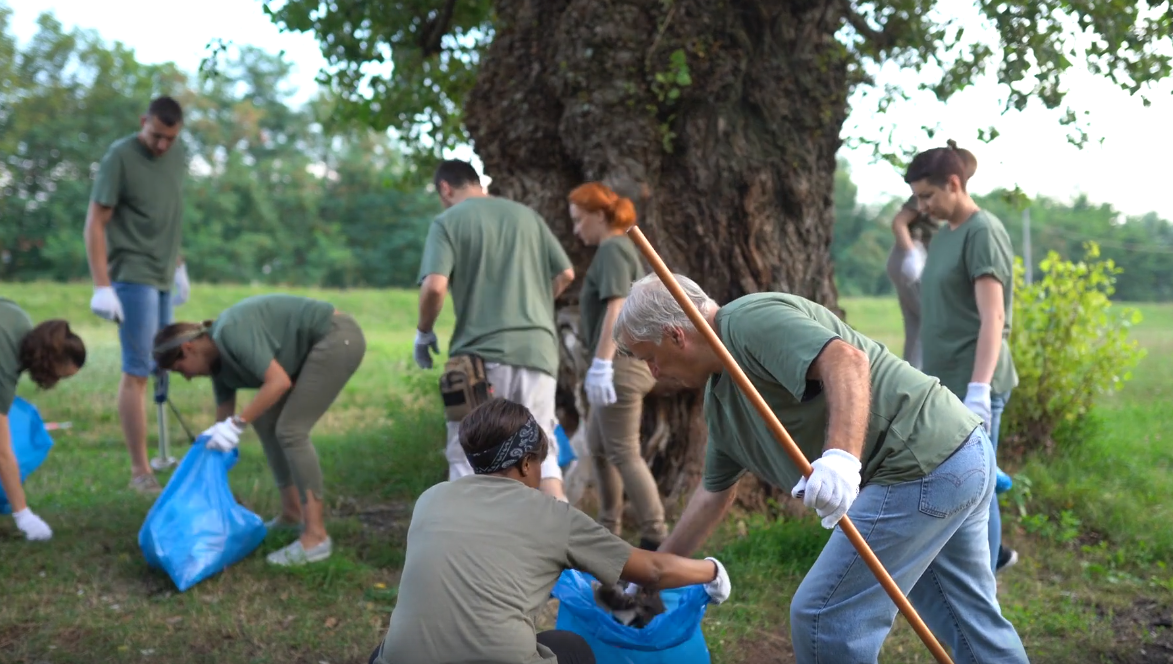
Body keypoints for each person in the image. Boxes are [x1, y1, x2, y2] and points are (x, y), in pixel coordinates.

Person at [612, 273, 1029, 664]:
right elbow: (712, 495)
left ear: (675, 335)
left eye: (649, 357)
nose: (653, 373)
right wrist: (650, 573)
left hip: (920, 463)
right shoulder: (722, 400)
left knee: (823, 619)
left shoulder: (746, 321)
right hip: (955, 454)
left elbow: (846, 361)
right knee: (968, 621)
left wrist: (841, 460)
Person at [368, 398, 731, 664]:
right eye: (541, 464)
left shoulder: (431, 500)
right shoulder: (552, 516)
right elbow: (653, 570)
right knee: (571, 648)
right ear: (527, 463)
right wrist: (712, 571)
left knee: (383, 653)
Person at [152, 294, 366, 566]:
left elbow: (277, 382)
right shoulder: (218, 364)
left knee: (291, 431)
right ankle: (292, 514)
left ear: (190, 348)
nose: (188, 377)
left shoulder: (231, 333)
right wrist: (203, 460)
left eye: (179, 369)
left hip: (336, 337)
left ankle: (316, 537)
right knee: (265, 419)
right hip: (314, 347)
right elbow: (223, 421)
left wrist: (237, 424)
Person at [414, 159, 575, 501]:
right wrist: (533, 310)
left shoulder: (448, 221)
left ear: (445, 188)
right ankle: (563, 548)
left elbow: (434, 287)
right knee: (540, 453)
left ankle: (473, 546)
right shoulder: (526, 216)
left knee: (467, 454)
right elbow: (565, 275)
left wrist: (424, 332)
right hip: (539, 351)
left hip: (480, 359)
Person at [905, 140, 1020, 575]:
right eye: (917, 197)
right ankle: (969, 575)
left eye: (928, 195)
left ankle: (982, 586)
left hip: (975, 384)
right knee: (960, 487)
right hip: (945, 383)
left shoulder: (981, 231)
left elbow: (993, 316)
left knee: (978, 491)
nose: (922, 205)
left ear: (954, 184)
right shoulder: (944, 235)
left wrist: (979, 389)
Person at [83, 95, 190, 495]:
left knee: (165, 364)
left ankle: (161, 456)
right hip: (132, 276)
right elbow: (95, 221)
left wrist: (178, 265)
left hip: (163, 275)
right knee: (138, 370)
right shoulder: (120, 157)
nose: (162, 145)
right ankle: (140, 471)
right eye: (156, 135)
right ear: (143, 120)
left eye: (170, 138)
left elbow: (166, 214)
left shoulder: (178, 157)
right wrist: (102, 284)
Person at [568, 182, 667, 550]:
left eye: (580, 221)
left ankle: (656, 537)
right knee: (598, 444)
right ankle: (608, 528)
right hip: (617, 364)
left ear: (598, 215)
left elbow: (617, 306)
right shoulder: (616, 249)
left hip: (620, 366)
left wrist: (601, 364)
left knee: (623, 450)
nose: (577, 230)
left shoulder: (612, 249)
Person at [0, 298, 86, 541]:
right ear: (48, 362)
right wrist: (22, 514)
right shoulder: (3, 367)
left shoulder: (20, 319)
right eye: (58, 376)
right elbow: (2, 452)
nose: (54, 383)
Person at [886, 145, 977, 369]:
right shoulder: (926, 195)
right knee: (931, 318)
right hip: (909, 255)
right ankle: (920, 378)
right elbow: (899, 222)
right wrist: (911, 254)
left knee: (916, 323)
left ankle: (911, 374)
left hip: (916, 257)